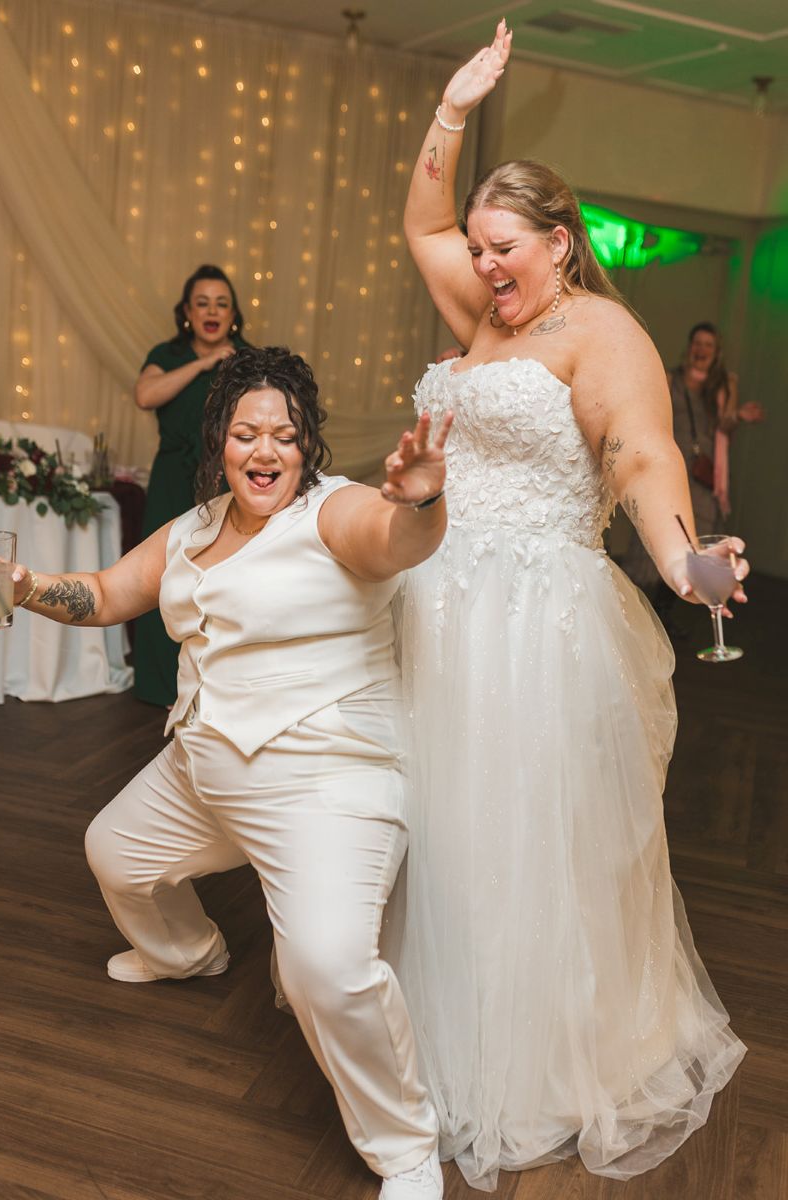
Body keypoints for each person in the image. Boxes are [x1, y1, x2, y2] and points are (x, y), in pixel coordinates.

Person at [395, 19, 748, 1191]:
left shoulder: (600, 334)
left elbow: (645, 462)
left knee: (520, 842)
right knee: (437, 835)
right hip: (437, 602)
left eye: (506, 250)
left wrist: (687, 566)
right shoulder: (482, 318)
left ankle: (535, 1065)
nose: (483, 266)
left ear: (559, 242)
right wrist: (450, 110)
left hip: (531, 624)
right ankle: (431, 1049)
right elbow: (420, 224)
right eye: (481, 251)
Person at [0, 345, 454, 1200]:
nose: (265, 451)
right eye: (247, 433)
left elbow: (399, 541)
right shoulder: (195, 526)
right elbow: (103, 593)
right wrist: (21, 586)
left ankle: (405, 1146)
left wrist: (421, 496)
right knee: (113, 851)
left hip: (327, 779)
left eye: (284, 433)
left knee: (323, 964)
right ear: (222, 442)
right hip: (202, 766)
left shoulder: (335, 512)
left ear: (306, 441)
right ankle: (191, 952)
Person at [133, 264, 251, 708]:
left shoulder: (246, 358)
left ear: (234, 312)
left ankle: (212, 687)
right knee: (158, 575)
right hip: (171, 479)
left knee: (217, 576)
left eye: (221, 303)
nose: (212, 311)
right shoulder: (168, 353)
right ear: (186, 311)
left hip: (226, 481)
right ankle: (160, 684)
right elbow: (146, 396)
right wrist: (204, 362)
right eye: (202, 303)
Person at [623, 321, 764, 605]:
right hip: (671, 467)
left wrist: (740, 417)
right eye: (697, 343)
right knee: (657, 536)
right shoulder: (670, 378)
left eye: (708, 345)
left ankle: (666, 612)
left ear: (716, 352)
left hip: (701, 475)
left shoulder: (723, 385)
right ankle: (637, 609)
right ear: (690, 347)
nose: (701, 349)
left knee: (693, 543)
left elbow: (725, 423)